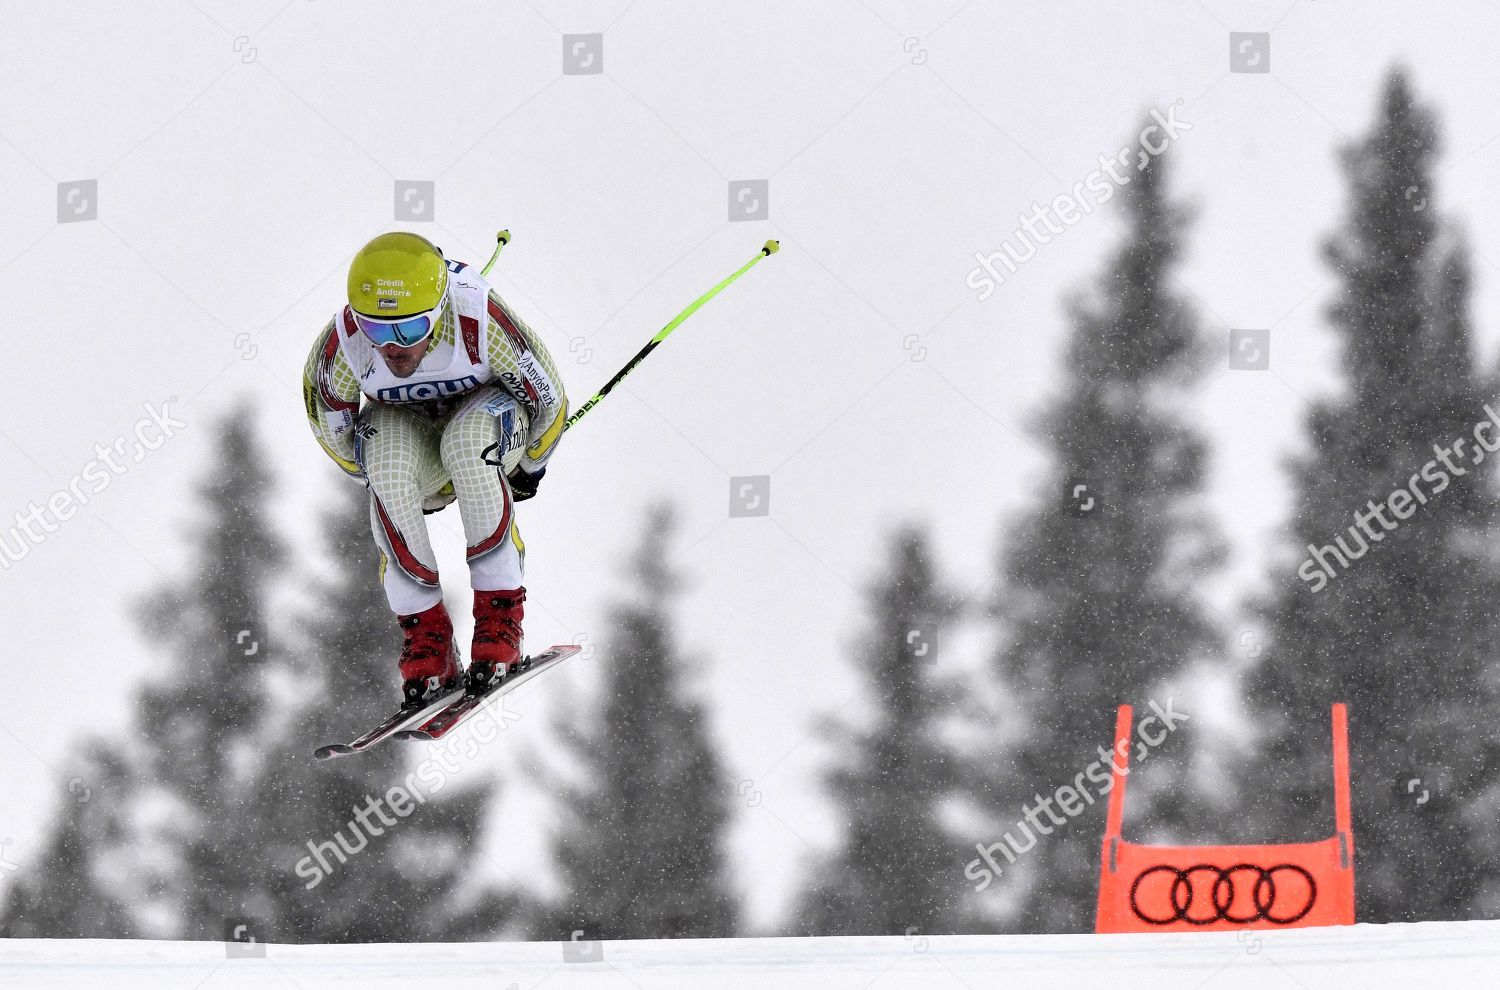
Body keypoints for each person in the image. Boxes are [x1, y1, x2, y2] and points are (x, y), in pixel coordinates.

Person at [303, 231, 567, 706]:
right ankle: (428, 639)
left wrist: (529, 468)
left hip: (487, 424)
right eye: (377, 330)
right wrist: (405, 490)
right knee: (382, 458)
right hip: (413, 433)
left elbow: (550, 402)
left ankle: (499, 617)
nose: (392, 348)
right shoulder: (343, 348)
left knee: (465, 443)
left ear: (440, 310)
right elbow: (334, 438)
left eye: (408, 330)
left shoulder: (478, 320)